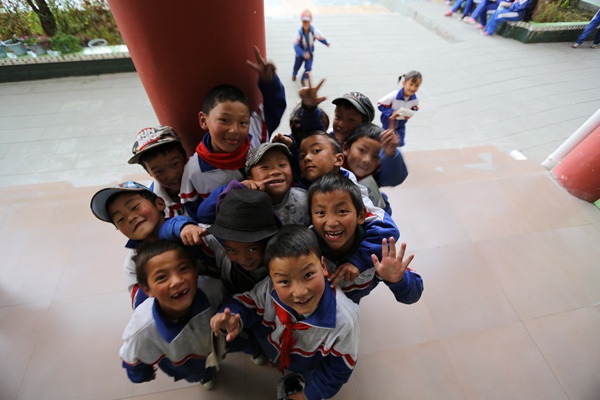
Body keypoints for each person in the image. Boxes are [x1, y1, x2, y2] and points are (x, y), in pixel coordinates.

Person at [210, 224, 360, 400]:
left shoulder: (345, 320)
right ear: (272, 279)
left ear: (323, 266)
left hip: (310, 365)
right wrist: (234, 316)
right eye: (284, 282)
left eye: (308, 275)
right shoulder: (267, 289)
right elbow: (247, 302)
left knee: (309, 382)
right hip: (272, 350)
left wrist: (308, 395)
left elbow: (338, 369)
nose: (299, 292)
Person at [179, 47, 286, 219]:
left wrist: (269, 82)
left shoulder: (255, 132)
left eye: (242, 122)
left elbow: (275, 107)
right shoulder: (194, 172)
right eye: (224, 120)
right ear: (203, 120)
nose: (235, 130)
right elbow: (195, 217)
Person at [119, 240, 226, 389]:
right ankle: (204, 376)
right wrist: (142, 375)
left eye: (183, 269)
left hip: (215, 345)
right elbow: (132, 357)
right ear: (147, 289)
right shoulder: (140, 330)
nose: (176, 281)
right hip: (183, 363)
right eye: (162, 277)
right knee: (195, 373)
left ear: (195, 271)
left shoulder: (212, 289)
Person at [308, 173, 423, 304]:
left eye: (342, 211)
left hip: (354, 300)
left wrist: (398, 280)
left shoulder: (376, 250)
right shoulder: (305, 249)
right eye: (321, 213)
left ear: (361, 215)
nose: (331, 222)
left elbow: (413, 295)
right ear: (311, 217)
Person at [90, 181, 206, 308]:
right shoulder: (133, 262)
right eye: (120, 219)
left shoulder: (187, 229)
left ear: (159, 203)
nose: (130, 218)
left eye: (134, 207)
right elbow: (140, 307)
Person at [196, 142, 310, 226]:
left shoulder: (304, 198)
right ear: (250, 178)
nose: (276, 171)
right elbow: (203, 215)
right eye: (265, 167)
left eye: (282, 165)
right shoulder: (243, 202)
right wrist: (233, 189)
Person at [343, 123, 407, 214]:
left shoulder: (376, 174)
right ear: (345, 148)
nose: (367, 160)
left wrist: (391, 155)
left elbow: (396, 178)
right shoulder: (331, 168)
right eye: (362, 150)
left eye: (376, 156)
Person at [128, 126, 188, 218]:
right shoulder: (150, 203)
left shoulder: (205, 179)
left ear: (185, 157)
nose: (171, 175)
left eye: (175, 164)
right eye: (159, 171)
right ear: (148, 172)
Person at [377, 71, 422, 147]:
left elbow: (415, 107)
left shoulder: (415, 99)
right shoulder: (394, 95)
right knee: (385, 140)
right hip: (388, 123)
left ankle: (394, 155)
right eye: (410, 84)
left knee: (398, 142)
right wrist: (391, 112)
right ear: (404, 83)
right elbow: (380, 104)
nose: (413, 88)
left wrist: (410, 114)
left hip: (401, 124)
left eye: (416, 86)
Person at [292, 9, 330, 86]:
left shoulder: (313, 31)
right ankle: (294, 73)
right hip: (300, 54)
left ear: (310, 21)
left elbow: (320, 37)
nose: (306, 24)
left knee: (308, 68)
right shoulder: (299, 33)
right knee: (297, 65)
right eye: (304, 22)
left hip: (309, 53)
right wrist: (302, 54)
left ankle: (303, 79)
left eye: (307, 22)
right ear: (302, 22)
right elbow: (296, 46)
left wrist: (326, 43)